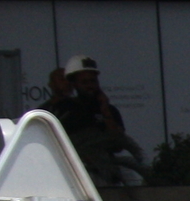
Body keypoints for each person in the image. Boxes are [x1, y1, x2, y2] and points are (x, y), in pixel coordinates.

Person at [47, 55, 146, 185]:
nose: (90, 86)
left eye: (93, 81)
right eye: (84, 82)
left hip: (107, 174)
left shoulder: (109, 109)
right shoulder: (63, 110)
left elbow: (118, 144)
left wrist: (105, 111)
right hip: (74, 176)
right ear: (74, 84)